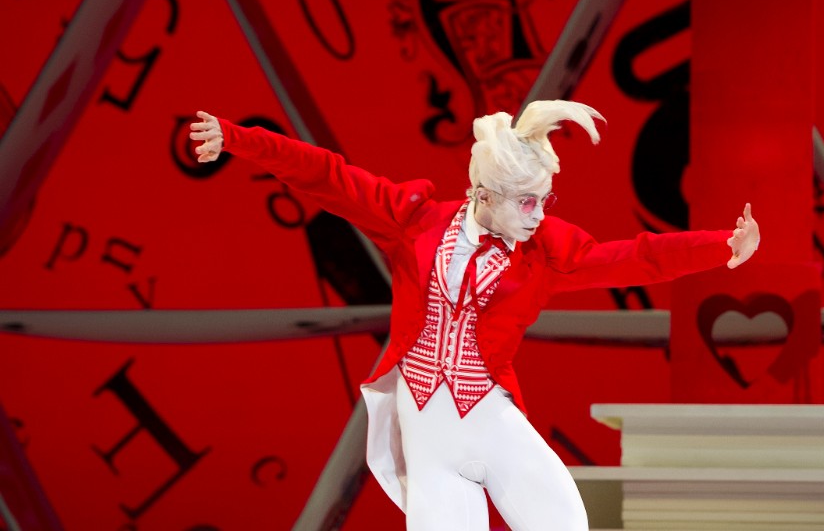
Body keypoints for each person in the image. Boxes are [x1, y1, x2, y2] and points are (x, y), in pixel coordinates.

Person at [189, 101, 760, 531]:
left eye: (546, 199)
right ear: (485, 195)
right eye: (527, 202)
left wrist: (720, 247)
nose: (538, 215)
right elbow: (329, 176)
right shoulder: (414, 221)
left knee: (564, 522)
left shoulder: (545, 252)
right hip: (426, 430)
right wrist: (238, 139)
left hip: (489, 416)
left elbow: (633, 257)